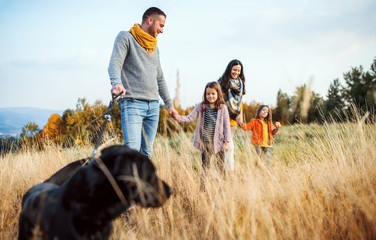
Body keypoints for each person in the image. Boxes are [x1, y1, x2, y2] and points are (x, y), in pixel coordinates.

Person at [108, 7, 178, 158]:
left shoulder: (154, 47)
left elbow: (159, 78)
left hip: (153, 107)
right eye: (161, 25)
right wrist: (116, 83)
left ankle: (141, 182)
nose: (162, 31)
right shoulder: (126, 37)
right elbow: (115, 63)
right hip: (133, 103)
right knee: (132, 153)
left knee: (146, 153)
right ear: (150, 20)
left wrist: (169, 104)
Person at [177, 81, 231, 174]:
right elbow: (190, 117)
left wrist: (227, 142)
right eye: (208, 94)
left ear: (218, 93)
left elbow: (226, 126)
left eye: (213, 93)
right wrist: (178, 117)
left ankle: (223, 187)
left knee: (221, 167)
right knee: (205, 167)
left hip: (219, 143)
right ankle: (203, 188)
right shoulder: (201, 106)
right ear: (205, 95)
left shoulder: (223, 108)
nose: (210, 96)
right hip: (206, 143)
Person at [218, 59, 246, 173]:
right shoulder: (221, 83)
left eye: (239, 71)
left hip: (234, 120)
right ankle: (228, 174)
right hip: (222, 119)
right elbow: (217, 101)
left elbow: (240, 102)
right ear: (230, 69)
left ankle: (224, 174)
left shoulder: (240, 84)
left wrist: (241, 116)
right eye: (234, 70)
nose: (236, 73)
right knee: (227, 147)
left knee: (227, 147)